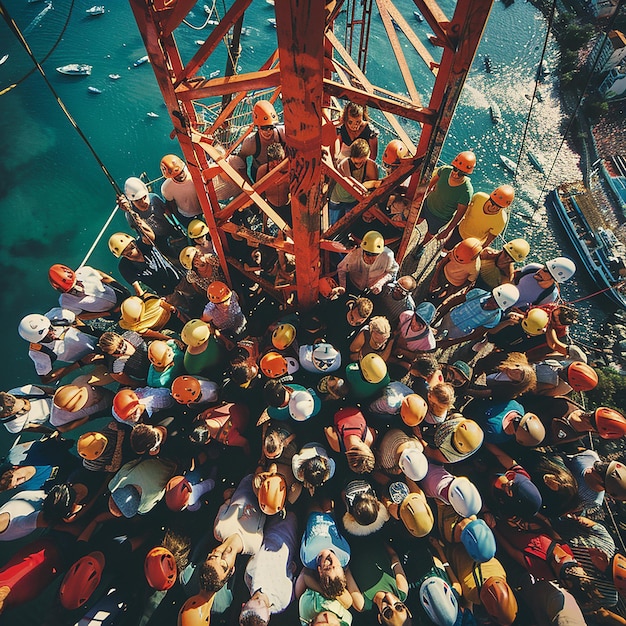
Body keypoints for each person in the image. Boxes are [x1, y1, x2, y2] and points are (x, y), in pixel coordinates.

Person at [239, 512, 299, 626]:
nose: (260, 598)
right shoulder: (282, 600)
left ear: (244, 604)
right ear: (268, 614)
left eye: (255, 599)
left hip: (270, 524)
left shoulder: (249, 577)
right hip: (289, 534)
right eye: (261, 602)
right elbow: (293, 572)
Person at [413, 150, 475, 255]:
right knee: (417, 220)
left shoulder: (466, 191)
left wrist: (447, 231)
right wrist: (419, 199)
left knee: (430, 234)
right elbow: (430, 185)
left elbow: (459, 215)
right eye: (455, 169)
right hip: (427, 204)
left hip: (440, 217)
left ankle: (422, 245)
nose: (456, 174)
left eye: (461, 173)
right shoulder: (445, 171)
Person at [18, 309, 100, 385]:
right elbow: (46, 379)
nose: (51, 333)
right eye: (45, 337)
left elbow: (76, 319)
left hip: (97, 340)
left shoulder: (56, 315)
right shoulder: (38, 353)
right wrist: (80, 363)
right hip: (91, 360)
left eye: (50, 328)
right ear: (37, 340)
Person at [118, 176, 184, 261]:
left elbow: (167, 212)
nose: (143, 202)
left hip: (169, 229)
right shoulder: (130, 214)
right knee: (172, 256)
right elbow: (139, 231)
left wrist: (177, 226)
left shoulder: (154, 198)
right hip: (157, 239)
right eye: (138, 200)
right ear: (132, 201)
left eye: (144, 197)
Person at [434, 283, 520, 347]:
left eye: (495, 304)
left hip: (459, 332)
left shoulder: (494, 319)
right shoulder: (478, 293)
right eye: (492, 299)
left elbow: (475, 335)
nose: (490, 303)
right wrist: (436, 318)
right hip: (449, 318)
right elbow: (454, 302)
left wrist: (451, 342)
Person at [108, 231, 187, 300]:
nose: (130, 254)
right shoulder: (125, 267)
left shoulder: (142, 244)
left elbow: (150, 237)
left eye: (130, 248)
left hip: (179, 278)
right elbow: (138, 288)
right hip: (166, 293)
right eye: (127, 253)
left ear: (133, 244)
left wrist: (139, 221)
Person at [444, 184, 515, 251]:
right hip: (460, 231)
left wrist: (480, 249)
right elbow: (465, 210)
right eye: (492, 203)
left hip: (473, 244)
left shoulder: (501, 220)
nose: (494, 207)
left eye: (499, 207)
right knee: (447, 248)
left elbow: (490, 239)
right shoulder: (478, 197)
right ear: (490, 197)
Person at [48, 263, 129, 321]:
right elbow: (81, 315)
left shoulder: (86, 271)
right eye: (71, 290)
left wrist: (122, 288)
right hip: (108, 312)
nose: (78, 288)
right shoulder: (65, 303)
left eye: (77, 283)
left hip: (117, 295)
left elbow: (103, 276)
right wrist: (108, 313)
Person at [328, 138, 379, 225]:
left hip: (353, 200)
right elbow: (351, 184)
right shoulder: (344, 164)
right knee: (334, 223)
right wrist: (371, 185)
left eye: (362, 162)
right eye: (356, 163)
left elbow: (373, 185)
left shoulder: (371, 165)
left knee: (348, 224)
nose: (359, 166)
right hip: (338, 199)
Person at [337, 230, 399, 295]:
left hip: (373, 290)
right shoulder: (354, 254)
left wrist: (380, 283)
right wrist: (342, 287)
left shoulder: (387, 256)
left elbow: (392, 272)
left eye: (374, 255)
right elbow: (341, 268)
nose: (370, 259)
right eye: (367, 254)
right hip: (354, 286)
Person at [238, 100, 286, 180]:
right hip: (259, 173)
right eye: (264, 128)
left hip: (279, 169)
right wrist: (246, 180)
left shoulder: (283, 133)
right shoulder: (251, 143)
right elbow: (241, 160)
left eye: (270, 127)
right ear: (258, 127)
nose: (268, 131)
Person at [256, 141, 291, 229]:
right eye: (272, 165)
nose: (275, 168)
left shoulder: (289, 171)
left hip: (287, 204)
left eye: (279, 165)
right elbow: (258, 192)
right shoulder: (262, 171)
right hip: (271, 204)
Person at [160, 154, 202, 225]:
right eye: (176, 175)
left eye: (181, 172)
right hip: (186, 216)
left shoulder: (195, 173)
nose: (180, 176)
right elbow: (172, 206)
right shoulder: (166, 188)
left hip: (204, 209)